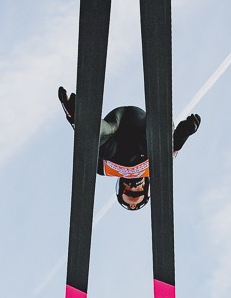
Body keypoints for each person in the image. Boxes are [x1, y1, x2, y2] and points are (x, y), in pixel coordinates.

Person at [58, 87, 200, 211]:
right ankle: (163, 131)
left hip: (114, 130)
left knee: (101, 150)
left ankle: (79, 116)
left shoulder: (103, 170)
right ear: (145, 187)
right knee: (160, 154)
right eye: (136, 193)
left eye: (128, 193)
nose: (132, 188)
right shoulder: (156, 168)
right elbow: (171, 152)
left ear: (121, 188)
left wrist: (79, 126)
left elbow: (86, 149)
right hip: (141, 132)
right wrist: (183, 134)